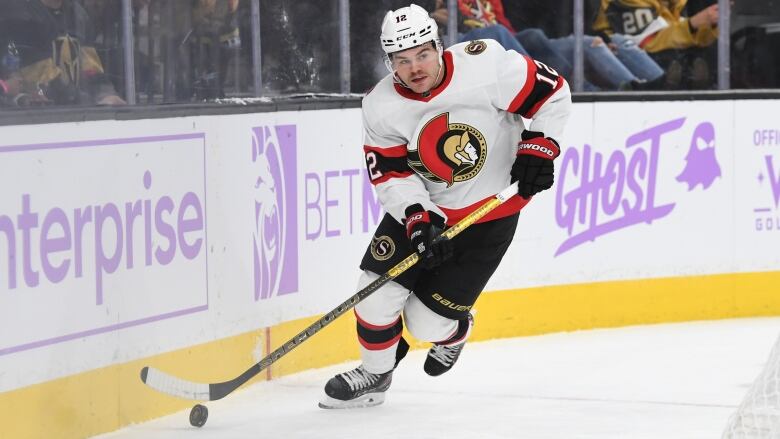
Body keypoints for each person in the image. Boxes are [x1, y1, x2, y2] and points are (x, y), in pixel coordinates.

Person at [319, 3, 571, 409]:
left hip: (490, 214)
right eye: (402, 61)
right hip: (423, 212)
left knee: (425, 322)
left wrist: (540, 146)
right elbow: (391, 174)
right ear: (389, 63)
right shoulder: (379, 105)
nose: (415, 67)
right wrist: (417, 217)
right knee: (374, 293)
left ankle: (454, 332)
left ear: (439, 46)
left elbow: (553, 93)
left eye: (422, 54)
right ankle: (376, 371)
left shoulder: (486, 65)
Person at [0, 0, 125, 106]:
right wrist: (92, 102)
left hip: (76, 116)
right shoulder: (19, 14)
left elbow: (91, 70)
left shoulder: (79, 15)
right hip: (37, 118)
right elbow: (43, 80)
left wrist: (107, 95)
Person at [593, 0, 718, 89]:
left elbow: (679, 33)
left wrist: (711, 23)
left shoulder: (677, 4)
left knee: (706, 55)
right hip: (622, 62)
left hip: (663, 61)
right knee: (671, 60)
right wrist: (692, 25)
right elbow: (646, 43)